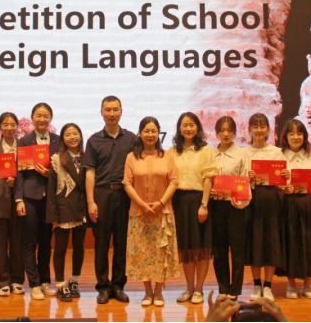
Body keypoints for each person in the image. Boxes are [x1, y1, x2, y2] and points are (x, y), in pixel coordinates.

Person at [83, 96, 137, 305]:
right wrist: (91, 201)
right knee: (101, 244)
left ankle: (118, 286)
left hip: (125, 195)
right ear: (101, 112)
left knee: (122, 244)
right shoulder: (94, 140)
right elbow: (90, 172)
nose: (112, 113)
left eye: (115, 109)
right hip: (102, 195)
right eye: (108, 110)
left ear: (121, 112)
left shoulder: (132, 139)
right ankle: (103, 286)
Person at [123, 117, 180, 307]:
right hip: (139, 212)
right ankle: (147, 292)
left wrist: (161, 203)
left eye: (154, 131)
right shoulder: (131, 157)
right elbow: (127, 183)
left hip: (162, 212)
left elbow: (174, 182)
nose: (150, 134)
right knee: (143, 254)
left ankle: (159, 292)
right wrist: (142, 205)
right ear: (140, 133)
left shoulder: (167, 156)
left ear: (158, 133)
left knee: (160, 253)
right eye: (146, 131)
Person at [277, 119, 311, 299]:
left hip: (309, 205)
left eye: (299, 133)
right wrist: (284, 187)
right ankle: (291, 285)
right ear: (285, 136)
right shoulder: (280, 157)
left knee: (310, 243)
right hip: (290, 205)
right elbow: (277, 183)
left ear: (305, 136)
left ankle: (307, 285)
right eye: (291, 133)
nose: (295, 137)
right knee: (291, 243)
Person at [170, 112, 216, 305]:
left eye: (192, 125)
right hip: (179, 202)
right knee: (187, 248)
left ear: (198, 128)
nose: (188, 128)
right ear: (179, 128)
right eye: (185, 125)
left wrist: (204, 205)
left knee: (201, 247)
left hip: (199, 201)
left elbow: (208, 179)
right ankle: (189, 288)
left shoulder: (206, 150)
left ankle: (199, 289)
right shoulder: (172, 151)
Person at [16, 103, 60, 300]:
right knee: (29, 242)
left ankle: (45, 282)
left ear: (51, 118)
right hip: (30, 197)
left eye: (46, 116)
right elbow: (19, 172)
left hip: (50, 199)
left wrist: (51, 174)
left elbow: (64, 168)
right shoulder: (24, 141)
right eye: (38, 116)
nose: (42, 119)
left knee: (46, 242)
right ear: (32, 118)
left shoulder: (58, 141)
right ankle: (33, 284)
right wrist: (19, 199)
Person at [244, 113, 286, 302]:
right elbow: (239, 180)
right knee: (255, 242)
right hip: (252, 202)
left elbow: (283, 184)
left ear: (268, 129)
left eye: (262, 126)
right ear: (250, 130)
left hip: (271, 201)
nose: (259, 130)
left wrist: (284, 176)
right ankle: (256, 285)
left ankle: (268, 286)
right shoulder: (244, 153)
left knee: (271, 241)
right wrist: (247, 177)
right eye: (255, 126)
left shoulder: (276, 152)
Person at [0, 112, 25, 297]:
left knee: (17, 244)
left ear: (17, 127)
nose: (9, 128)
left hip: (19, 202)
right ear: (0, 127)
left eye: (12, 124)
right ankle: (2, 282)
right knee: (0, 245)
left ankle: (17, 280)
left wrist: (16, 182)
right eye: (5, 124)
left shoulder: (23, 147)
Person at [211, 116, 251, 300]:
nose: (225, 134)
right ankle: (223, 288)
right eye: (222, 130)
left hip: (236, 207)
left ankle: (235, 290)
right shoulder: (211, 154)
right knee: (219, 252)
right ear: (217, 132)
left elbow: (245, 181)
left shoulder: (242, 154)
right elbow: (206, 179)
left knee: (237, 252)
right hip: (216, 206)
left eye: (229, 130)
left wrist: (241, 202)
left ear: (235, 132)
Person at [47, 123, 87, 303]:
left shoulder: (87, 157)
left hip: (81, 209)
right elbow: (51, 190)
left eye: (75, 134)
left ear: (80, 136)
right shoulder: (57, 159)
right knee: (60, 249)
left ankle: (75, 280)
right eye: (68, 134)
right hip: (63, 210)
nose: (72, 137)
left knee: (79, 247)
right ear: (62, 138)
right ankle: (61, 284)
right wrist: (53, 216)